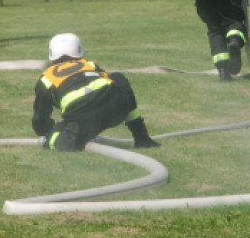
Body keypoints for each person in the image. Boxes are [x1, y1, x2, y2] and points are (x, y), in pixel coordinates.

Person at [32, 33, 161, 152]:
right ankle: (141, 137)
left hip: (83, 118)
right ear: (79, 51)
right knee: (118, 78)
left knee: (59, 132)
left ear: (51, 55)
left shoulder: (46, 78)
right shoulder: (89, 65)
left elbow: (39, 119)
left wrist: (48, 132)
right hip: (114, 108)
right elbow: (109, 83)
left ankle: (59, 140)